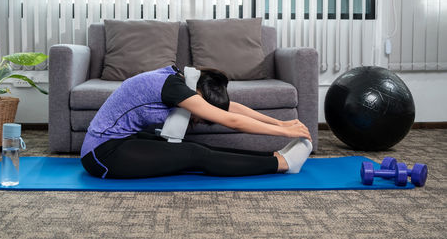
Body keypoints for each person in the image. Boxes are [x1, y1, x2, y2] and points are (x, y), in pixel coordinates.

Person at [81, 65, 313, 179]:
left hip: (124, 142)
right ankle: (283, 165)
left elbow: (231, 108)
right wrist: (284, 131)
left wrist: (281, 123)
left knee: (198, 149)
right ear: (200, 93)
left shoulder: (181, 81)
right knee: (195, 154)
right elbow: (231, 120)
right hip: (102, 155)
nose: (200, 119)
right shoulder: (173, 87)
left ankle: (274, 157)